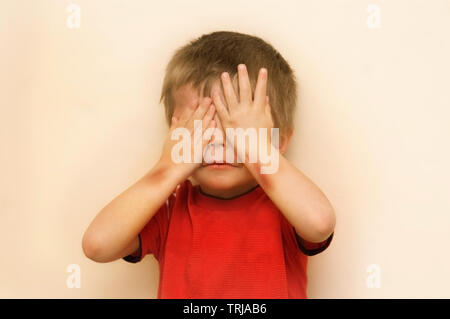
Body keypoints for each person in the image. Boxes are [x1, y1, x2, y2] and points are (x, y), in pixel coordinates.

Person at [82, 31, 336, 298]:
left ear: (279, 141)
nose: (218, 143)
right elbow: (97, 245)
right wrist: (168, 168)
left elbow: (319, 223)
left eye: (238, 131)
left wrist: (258, 150)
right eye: (202, 127)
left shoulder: (285, 205)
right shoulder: (169, 210)